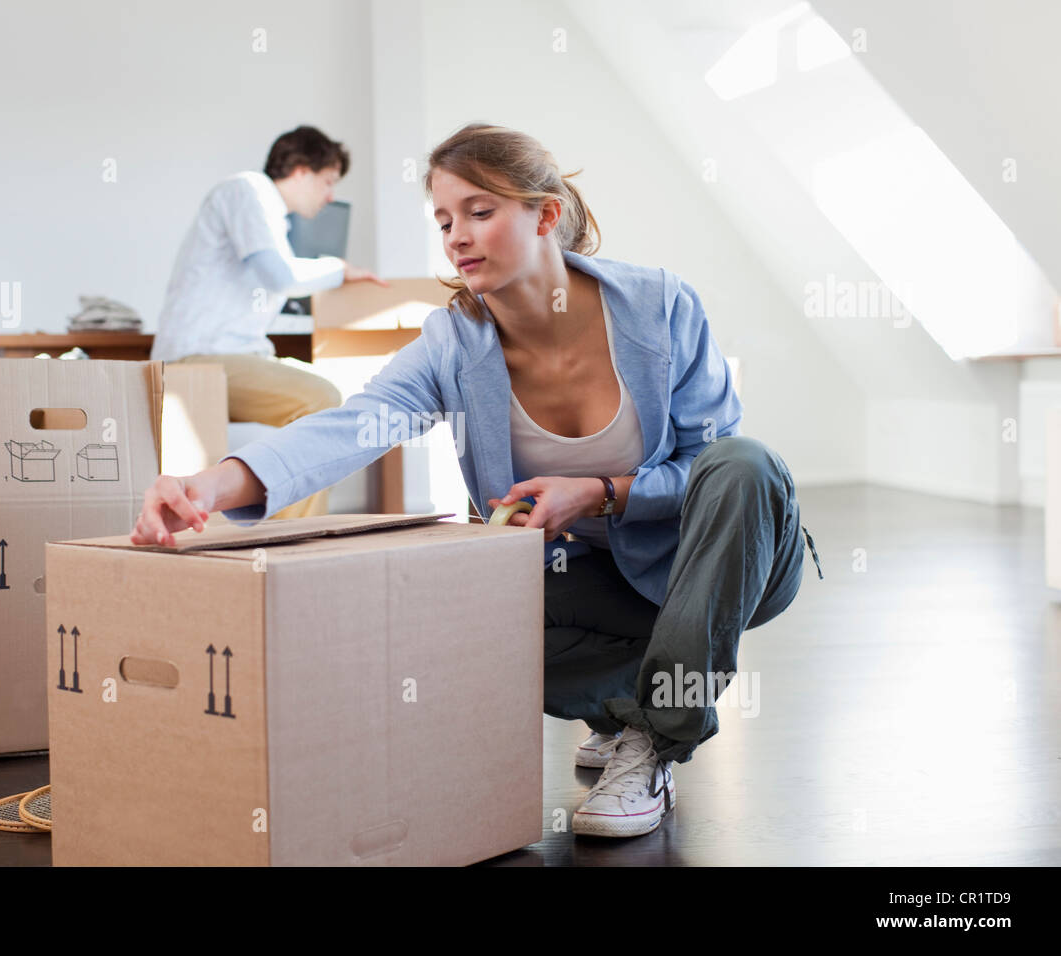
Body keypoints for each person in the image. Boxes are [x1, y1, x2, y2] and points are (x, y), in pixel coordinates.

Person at [132, 123, 824, 840]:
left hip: (715, 567)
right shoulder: (453, 345)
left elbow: (709, 474)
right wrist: (206, 488)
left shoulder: (659, 307)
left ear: (545, 215)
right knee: (452, 620)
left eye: (479, 212)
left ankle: (654, 738)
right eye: (443, 220)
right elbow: (351, 426)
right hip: (595, 582)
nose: (456, 237)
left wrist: (603, 492)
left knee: (744, 462)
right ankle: (624, 710)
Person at [151, 125, 388, 519]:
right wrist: (338, 269)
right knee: (320, 400)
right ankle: (295, 542)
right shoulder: (248, 190)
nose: (330, 196)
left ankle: (290, 538)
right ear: (299, 170)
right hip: (197, 360)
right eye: (327, 181)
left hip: (217, 358)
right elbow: (281, 277)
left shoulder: (271, 216)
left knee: (327, 398)